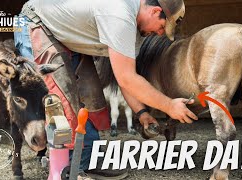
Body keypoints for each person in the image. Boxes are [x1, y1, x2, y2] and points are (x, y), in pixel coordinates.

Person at [14, 0, 198, 179]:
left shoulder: (135, 30)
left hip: (64, 36)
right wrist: (169, 106)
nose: (159, 34)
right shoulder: (120, 14)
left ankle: (86, 163)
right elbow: (128, 79)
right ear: (155, 11)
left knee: (90, 98)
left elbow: (125, 76)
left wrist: (141, 113)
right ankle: (66, 171)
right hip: (37, 23)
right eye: (161, 27)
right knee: (61, 100)